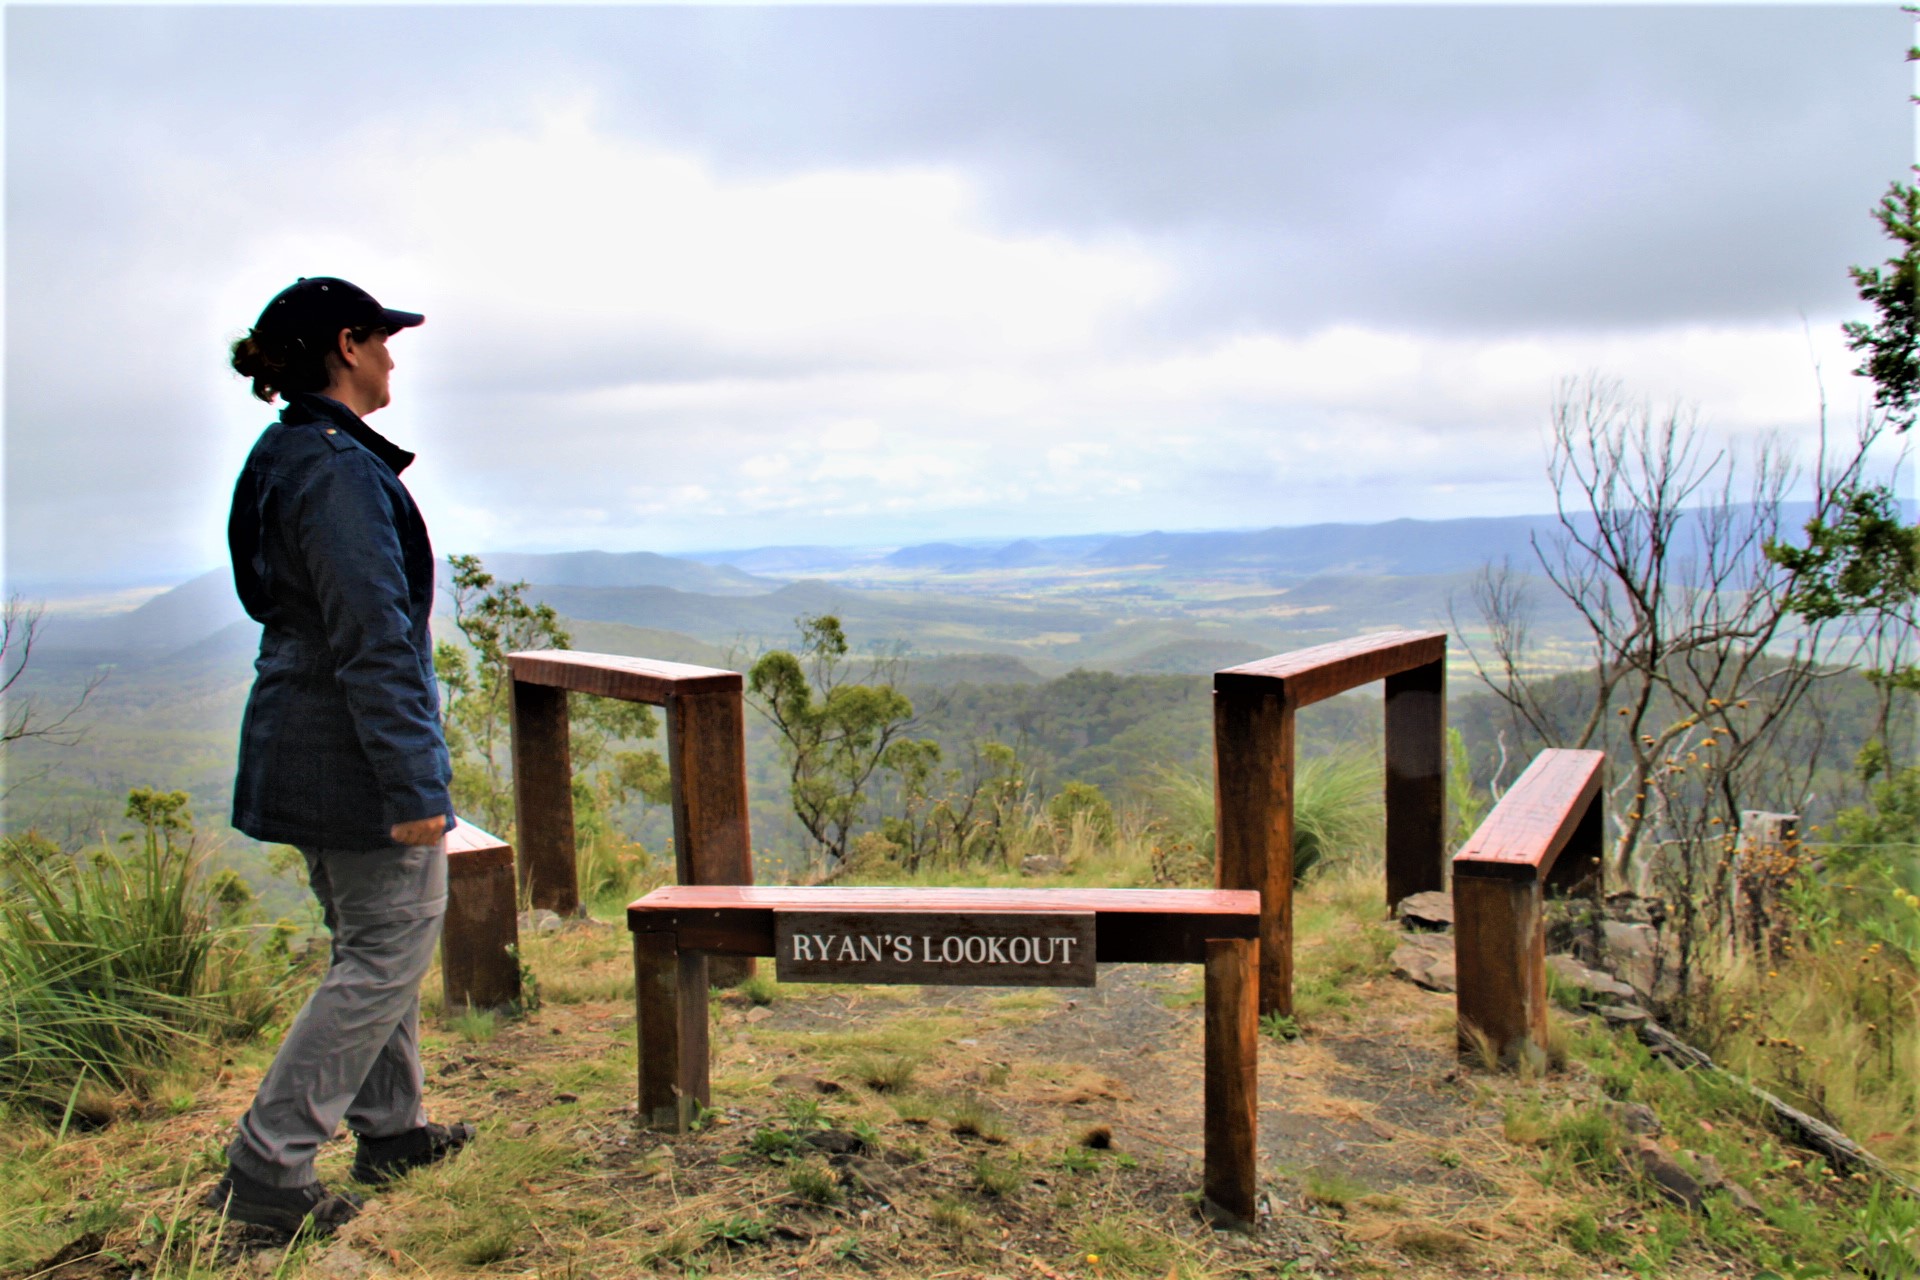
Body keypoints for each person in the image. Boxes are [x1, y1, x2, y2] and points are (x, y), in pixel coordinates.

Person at [208, 277, 473, 1235]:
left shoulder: (284, 456)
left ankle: (393, 1128)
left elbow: (263, 597)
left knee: (377, 944)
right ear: (349, 344)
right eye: (386, 341)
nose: (396, 358)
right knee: (385, 950)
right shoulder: (335, 469)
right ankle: (268, 1171)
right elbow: (374, 635)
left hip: (304, 736)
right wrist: (413, 783)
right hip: (351, 754)